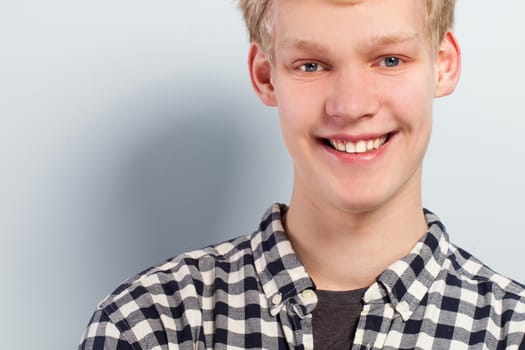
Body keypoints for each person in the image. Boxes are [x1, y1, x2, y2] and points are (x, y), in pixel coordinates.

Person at [79, 0, 525, 349]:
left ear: (443, 64)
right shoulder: (147, 324)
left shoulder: (511, 330)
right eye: (311, 65)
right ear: (265, 76)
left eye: (390, 60)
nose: (351, 106)